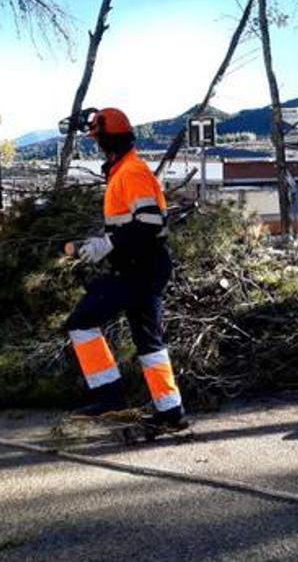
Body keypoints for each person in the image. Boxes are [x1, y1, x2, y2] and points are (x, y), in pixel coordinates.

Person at [62, 107, 185, 430]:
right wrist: (103, 241)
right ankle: (171, 412)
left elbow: (149, 222)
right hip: (146, 267)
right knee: (149, 342)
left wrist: (107, 245)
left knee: (81, 322)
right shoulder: (125, 169)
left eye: (98, 139)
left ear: (108, 141)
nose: (97, 145)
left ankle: (109, 397)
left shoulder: (130, 172)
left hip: (138, 269)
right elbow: (132, 223)